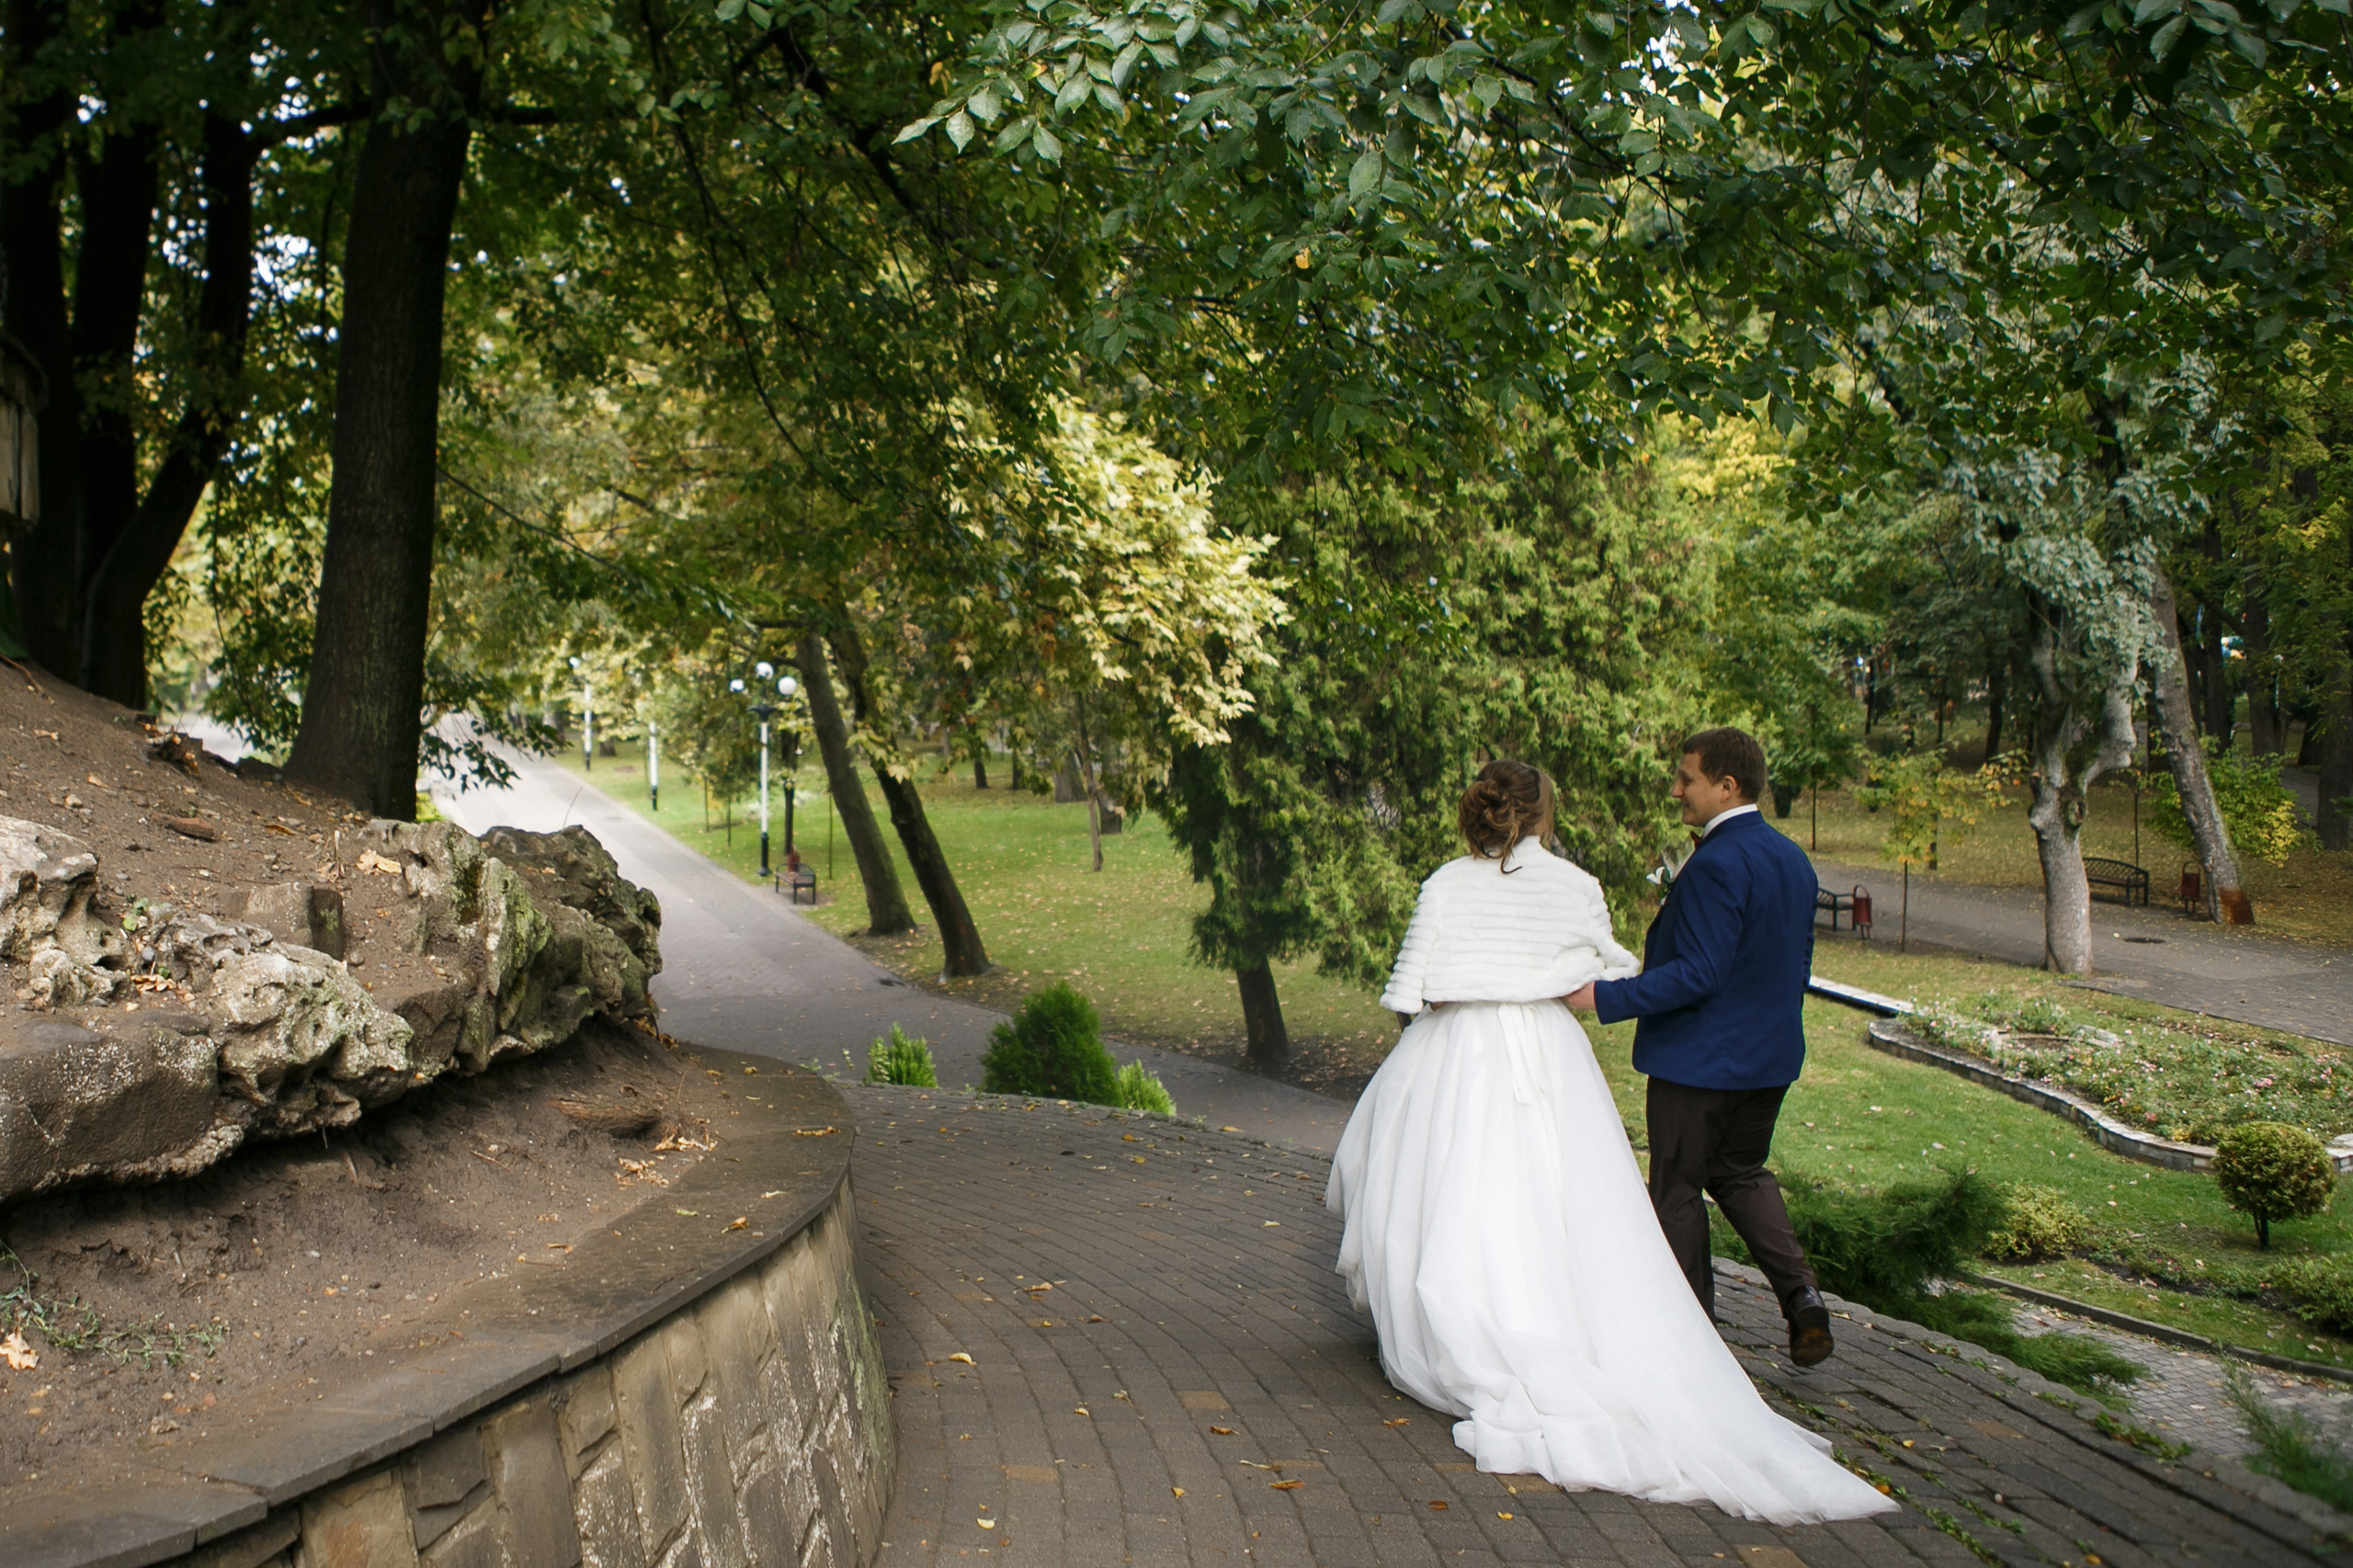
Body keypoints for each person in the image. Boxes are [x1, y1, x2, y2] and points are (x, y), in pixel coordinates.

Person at [1328, 759, 1895, 1525]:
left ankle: (1459, 1324)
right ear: (1541, 815)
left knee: (1452, 1188)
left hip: (1455, 1047)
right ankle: (1600, 1320)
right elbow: (1615, 963)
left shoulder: (1443, 883)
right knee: (1560, 1199)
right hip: (1549, 1051)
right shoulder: (1575, 884)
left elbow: (1409, 986)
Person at [1565, 726, 1835, 1369]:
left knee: (1678, 1188)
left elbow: (1700, 972)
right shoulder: (1792, 858)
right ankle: (1802, 1297)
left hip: (1702, 1062)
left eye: (1687, 778)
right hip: (1769, 1058)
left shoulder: (1716, 863)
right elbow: (1797, 962)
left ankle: (1693, 1339)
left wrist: (1603, 998)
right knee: (1741, 1172)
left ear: (1726, 785)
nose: (1677, 789)